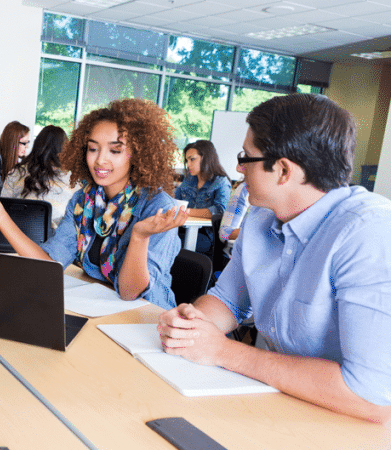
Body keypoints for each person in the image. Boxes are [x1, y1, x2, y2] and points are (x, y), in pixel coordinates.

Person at [158, 94, 391, 423]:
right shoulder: (261, 217)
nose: (238, 167)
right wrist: (190, 325)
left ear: (283, 170)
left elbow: (372, 396)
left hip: (344, 423)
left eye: (246, 157)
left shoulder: (370, 234)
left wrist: (223, 351)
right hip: (275, 403)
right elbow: (228, 300)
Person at [0, 99, 186, 310]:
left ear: (138, 154)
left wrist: (139, 236)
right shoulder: (83, 201)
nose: (100, 160)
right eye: (93, 148)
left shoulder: (158, 208)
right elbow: (49, 265)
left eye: (115, 150)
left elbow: (130, 292)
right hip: (101, 311)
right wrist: (1, 219)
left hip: (147, 318)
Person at [1, 125, 76, 229]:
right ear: (64, 149)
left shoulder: (16, 173)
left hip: (14, 237)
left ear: (37, 145)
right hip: (53, 241)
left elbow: (2, 208)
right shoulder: (72, 179)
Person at [174, 140, 231, 255]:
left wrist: (188, 211)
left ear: (206, 158)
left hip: (207, 236)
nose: (188, 164)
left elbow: (219, 212)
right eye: (187, 160)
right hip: (182, 227)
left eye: (192, 159)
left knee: (171, 241)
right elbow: (175, 199)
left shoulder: (221, 182)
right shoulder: (189, 179)